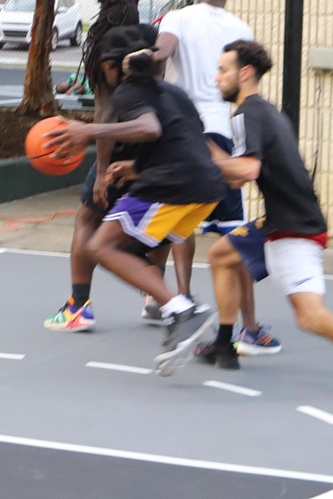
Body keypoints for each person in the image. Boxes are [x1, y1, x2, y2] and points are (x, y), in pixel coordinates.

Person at [193, 40, 333, 408]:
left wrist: (205, 156)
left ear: (245, 73)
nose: (217, 77)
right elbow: (238, 176)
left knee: (310, 316)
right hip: (279, 221)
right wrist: (211, 154)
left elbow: (246, 171)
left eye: (223, 70)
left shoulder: (246, 114)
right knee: (222, 254)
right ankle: (225, 343)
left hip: (295, 229)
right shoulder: (264, 112)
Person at [45, 25, 227, 363]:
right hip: (205, 190)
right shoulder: (172, 92)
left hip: (172, 186)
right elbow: (182, 138)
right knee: (131, 249)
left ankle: (178, 309)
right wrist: (136, 168)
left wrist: (88, 130)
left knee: (100, 245)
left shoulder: (127, 93)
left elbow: (150, 128)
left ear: (114, 66)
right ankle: (182, 311)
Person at [152, 0, 276, 353]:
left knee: (180, 223)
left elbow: (163, 51)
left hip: (186, 132)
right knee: (232, 233)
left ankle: (182, 302)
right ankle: (250, 326)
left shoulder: (178, 18)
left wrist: (148, 71)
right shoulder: (241, 28)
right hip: (226, 127)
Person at [42, 0, 178, 333]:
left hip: (118, 144)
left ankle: (78, 306)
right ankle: (154, 297)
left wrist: (102, 170)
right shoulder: (149, 40)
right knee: (158, 230)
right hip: (153, 144)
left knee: (88, 218)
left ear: (104, 5)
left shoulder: (105, 43)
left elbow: (105, 110)